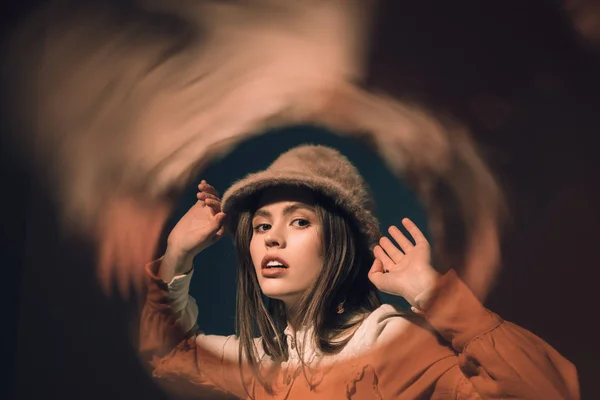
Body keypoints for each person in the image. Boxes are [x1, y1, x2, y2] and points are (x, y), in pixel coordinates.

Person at [139, 144, 579, 399]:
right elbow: (163, 358)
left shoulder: (384, 341)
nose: (272, 238)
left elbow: (542, 392)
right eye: (260, 226)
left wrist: (432, 293)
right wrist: (177, 254)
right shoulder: (257, 359)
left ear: (340, 243)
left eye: (299, 221)